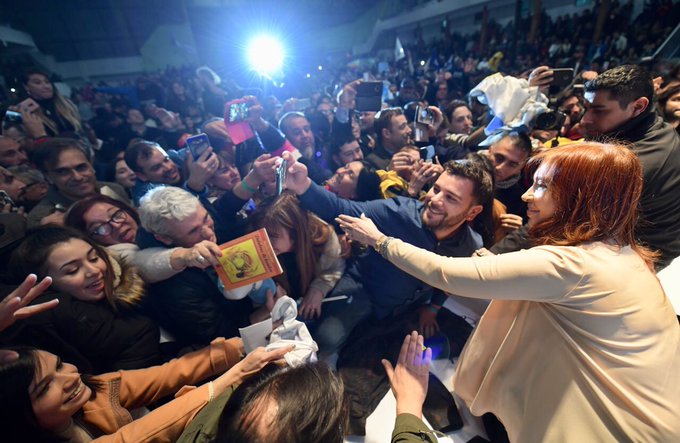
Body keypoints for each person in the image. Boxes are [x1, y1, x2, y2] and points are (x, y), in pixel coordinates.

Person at [338, 142, 680, 441]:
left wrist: (380, 241)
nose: (527, 195)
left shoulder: (573, 264)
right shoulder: (619, 251)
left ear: (579, 198)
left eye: (542, 186)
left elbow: (443, 272)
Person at [282, 150, 492, 356]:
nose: (435, 200)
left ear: (472, 212)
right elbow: (341, 208)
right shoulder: (399, 212)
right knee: (326, 339)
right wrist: (302, 185)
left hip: (407, 307)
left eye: (451, 198)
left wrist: (433, 308)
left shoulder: (470, 245)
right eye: (436, 189)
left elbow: (449, 280)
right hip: (363, 289)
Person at [0, 340, 292, 443]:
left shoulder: (96, 388)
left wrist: (244, 344)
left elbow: (166, 375)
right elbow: (137, 436)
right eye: (45, 387)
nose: (69, 377)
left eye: (60, 365)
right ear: (18, 416)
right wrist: (235, 374)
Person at [6, 226, 165, 373]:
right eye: (73, 270)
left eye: (94, 258)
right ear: (44, 285)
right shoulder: (53, 326)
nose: (93, 271)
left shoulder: (132, 285)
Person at [581, 65, 680, 268]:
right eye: (586, 108)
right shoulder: (656, 127)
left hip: (635, 262)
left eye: (599, 110)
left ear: (638, 106)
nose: (585, 120)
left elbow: (567, 219)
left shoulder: (630, 162)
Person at [65, 194, 220, 283]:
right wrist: (185, 255)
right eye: (100, 228)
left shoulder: (154, 224)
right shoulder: (114, 256)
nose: (116, 225)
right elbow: (139, 262)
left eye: (116, 214)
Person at [248, 192, 345, 320]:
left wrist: (319, 289)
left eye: (272, 236)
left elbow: (334, 268)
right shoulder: (253, 247)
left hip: (308, 307)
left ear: (295, 233)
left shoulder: (322, 236)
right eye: (260, 234)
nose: (263, 242)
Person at [27, 138, 129, 227]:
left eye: (81, 167)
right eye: (63, 172)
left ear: (91, 166)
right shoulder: (42, 217)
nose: (77, 177)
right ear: (48, 177)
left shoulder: (114, 189)